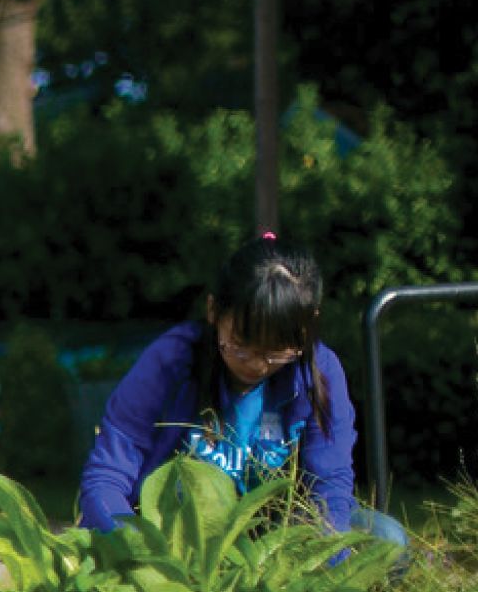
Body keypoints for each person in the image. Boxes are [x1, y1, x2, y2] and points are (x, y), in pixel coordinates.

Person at [79, 233, 406, 549]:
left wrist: (322, 570)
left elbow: (330, 489)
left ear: (308, 326)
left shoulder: (320, 371)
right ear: (213, 311)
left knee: (387, 540)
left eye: (277, 352)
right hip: (174, 538)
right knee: (183, 487)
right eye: (241, 345)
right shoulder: (171, 360)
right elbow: (106, 477)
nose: (258, 365)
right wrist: (134, 549)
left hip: (274, 542)